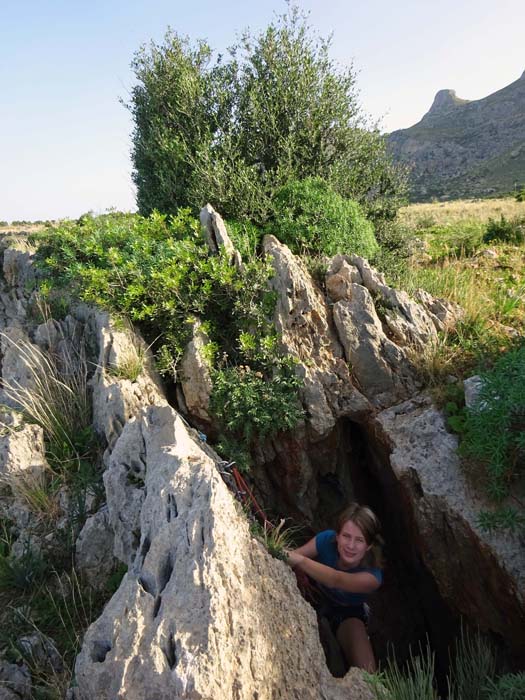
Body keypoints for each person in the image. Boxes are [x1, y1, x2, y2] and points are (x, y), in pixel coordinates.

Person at [285, 503, 384, 672]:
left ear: (368, 546)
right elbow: (292, 555)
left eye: (359, 540)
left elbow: (336, 580)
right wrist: (298, 570)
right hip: (314, 593)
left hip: (347, 613)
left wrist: (301, 563)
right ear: (337, 536)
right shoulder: (325, 540)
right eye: (346, 536)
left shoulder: (373, 577)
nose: (350, 546)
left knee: (368, 672)